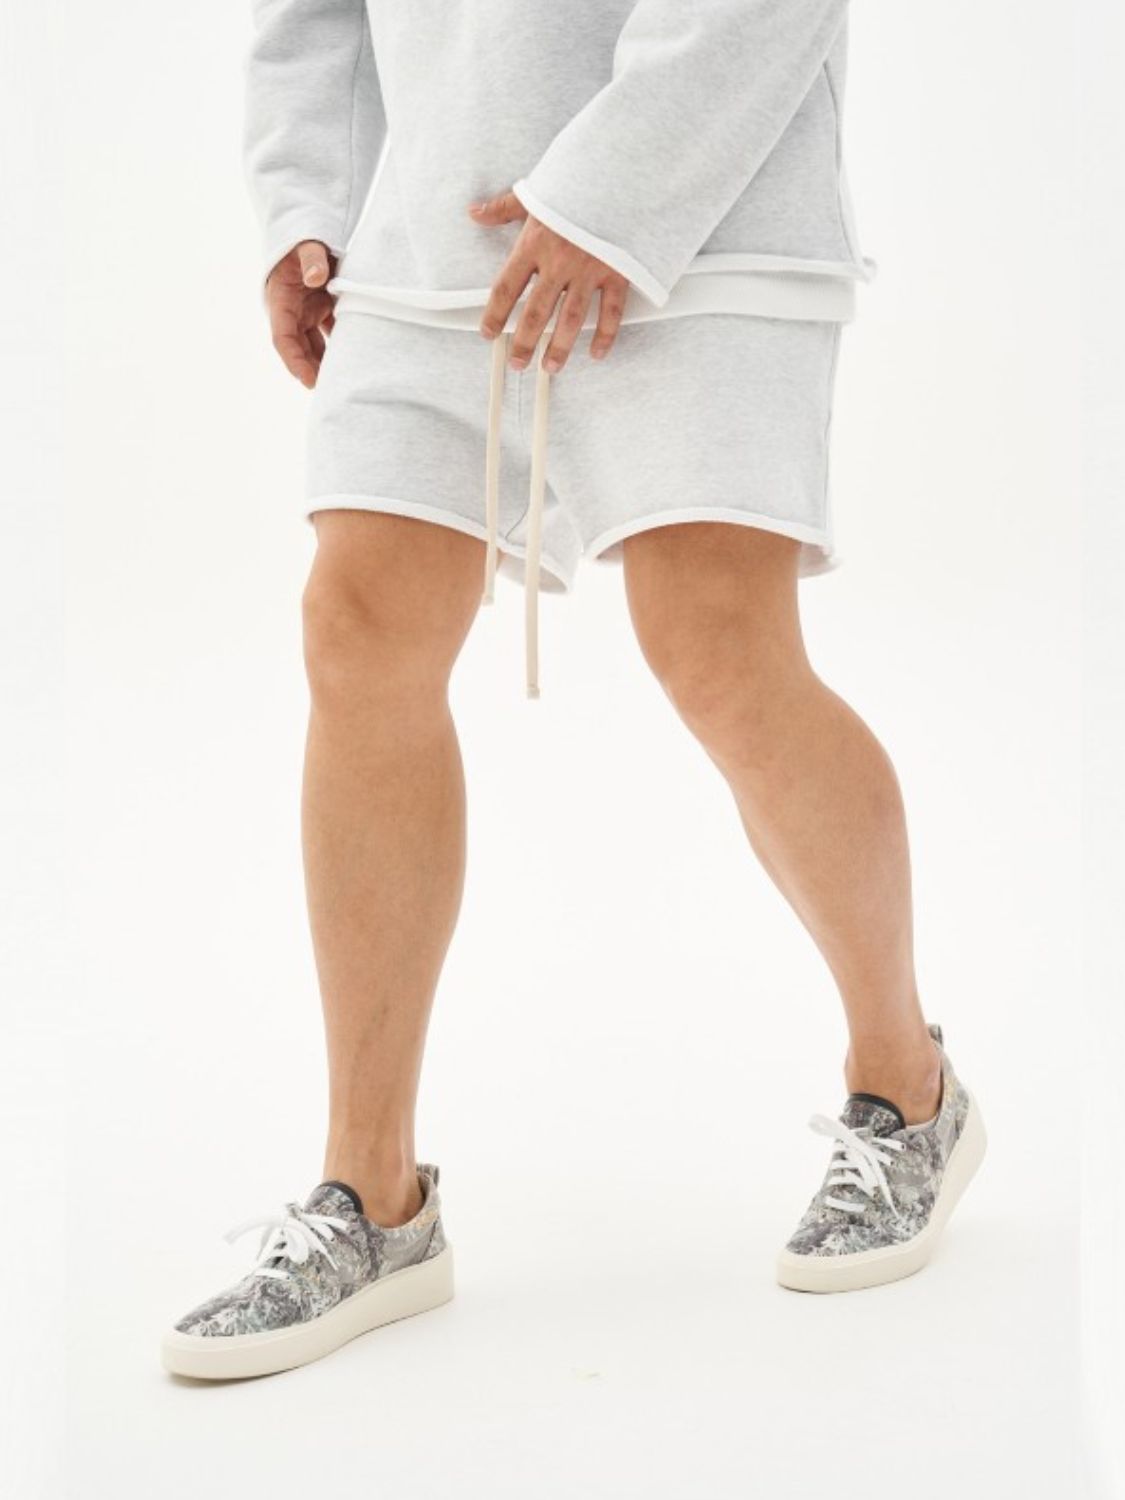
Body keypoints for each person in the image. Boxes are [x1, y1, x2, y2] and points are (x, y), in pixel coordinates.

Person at [161, 0, 986, 1381]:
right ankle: (372, 1201)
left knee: (718, 649)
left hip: (707, 205)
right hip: (426, 235)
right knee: (355, 632)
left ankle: (908, 1089)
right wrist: (308, 201)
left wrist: (617, 188)